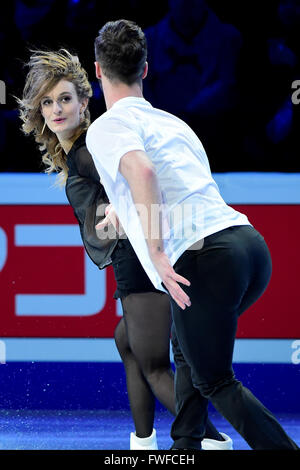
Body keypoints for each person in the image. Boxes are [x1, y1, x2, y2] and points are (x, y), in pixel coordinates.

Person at [86, 19, 299, 450]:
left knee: (216, 380)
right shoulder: (175, 124)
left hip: (206, 259)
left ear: (96, 70)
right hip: (248, 247)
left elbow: (142, 171)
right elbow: (177, 187)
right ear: (145, 69)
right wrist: (123, 218)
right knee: (186, 351)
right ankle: (184, 448)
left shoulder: (105, 128)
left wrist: (159, 254)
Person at [17, 49, 232, 450]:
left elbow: (142, 177)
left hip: (140, 258)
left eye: (65, 98)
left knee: (153, 364)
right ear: (39, 112)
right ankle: (143, 441)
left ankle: (213, 443)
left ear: (85, 101)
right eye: (47, 102)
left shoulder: (87, 150)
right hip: (134, 256)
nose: (57, 109)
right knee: (127, 341)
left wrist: (120, 206)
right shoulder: (81, 150)